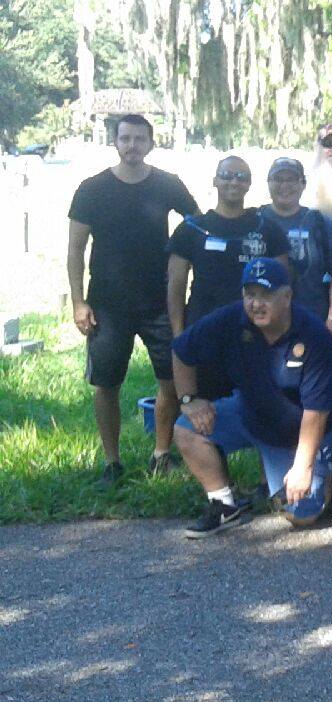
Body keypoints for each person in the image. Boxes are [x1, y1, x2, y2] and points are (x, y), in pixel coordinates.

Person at [67, 113, 201, 484]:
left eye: (139, 139)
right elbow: (75, 250)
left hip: (160, 301)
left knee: (171, 380)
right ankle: (112, 462)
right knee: (106, 384)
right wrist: (78, 302)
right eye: (125, 138)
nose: (132, 146)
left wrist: (182, 261)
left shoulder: (167, 183)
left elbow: (197, 223)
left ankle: (161, 454)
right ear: (115, 142)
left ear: (150, 143)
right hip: (108, 305)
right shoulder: (92, 189)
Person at [172, 259, 332, 537]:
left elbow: (316, 411)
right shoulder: (230, 319)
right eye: (250, 295)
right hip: (250, 413)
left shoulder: (314, 335)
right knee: (185, 429)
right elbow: (181, 350)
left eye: (266, 295)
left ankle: (327, 468)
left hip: (301, 431)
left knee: (301, 516)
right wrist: (188, 399)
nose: (256, 304)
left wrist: (303, 466)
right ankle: (224, 505)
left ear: (287, 296)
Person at [165, 156, 292, 400]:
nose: (234, 182)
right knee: (202, 404)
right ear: (215, 181)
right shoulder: (191, 229)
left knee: (256, 403)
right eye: (227, 175)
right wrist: (179, 334)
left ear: (249, 184)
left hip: (254, 331)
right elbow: (175, 286)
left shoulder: (267, 228)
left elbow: (283, 285)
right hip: (203, 328)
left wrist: (278, 332)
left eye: (241, 177)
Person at [259, 157, 332, 331]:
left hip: (310, 319)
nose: (285, 185)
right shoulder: (255, 220)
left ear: (303, 184)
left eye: (292, 179)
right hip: (261, 319)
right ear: (268, 183)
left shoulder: (319, 222)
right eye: (278, 179)